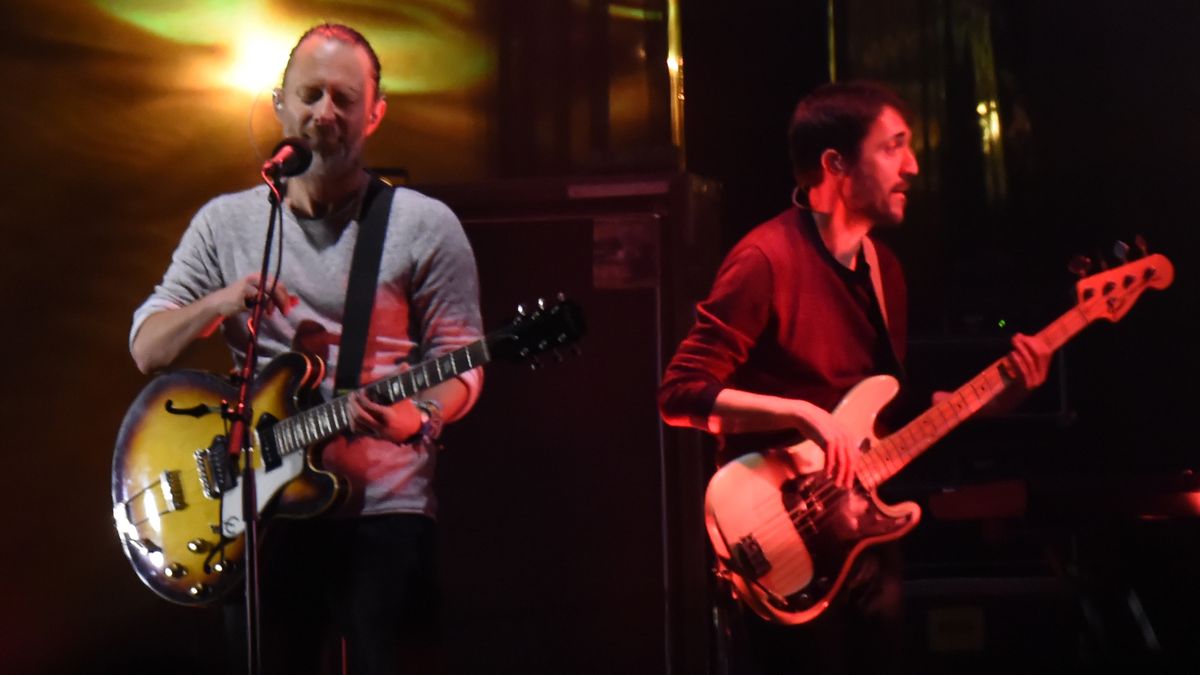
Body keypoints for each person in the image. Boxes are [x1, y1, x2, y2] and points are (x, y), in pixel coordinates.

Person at [658, 81, 1051, 673]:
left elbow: (884, 411)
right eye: (894, 147)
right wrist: (798, 414)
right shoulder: (765, 261)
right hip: (783, 537)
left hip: (867, 542)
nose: (913, 166)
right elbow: (679, 394)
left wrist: (993, 400)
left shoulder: (884, 269)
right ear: (835, 165)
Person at [129, 23, 482, 675]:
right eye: (311, 94)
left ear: (374, 114)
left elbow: (462, 358)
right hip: (261, 514)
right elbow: (149, 346)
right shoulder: (228, 223)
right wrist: (219, 303)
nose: (326, 112)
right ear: (280, 104)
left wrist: (421, 416)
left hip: (385, 507)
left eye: (345, 99)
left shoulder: (424, 227)